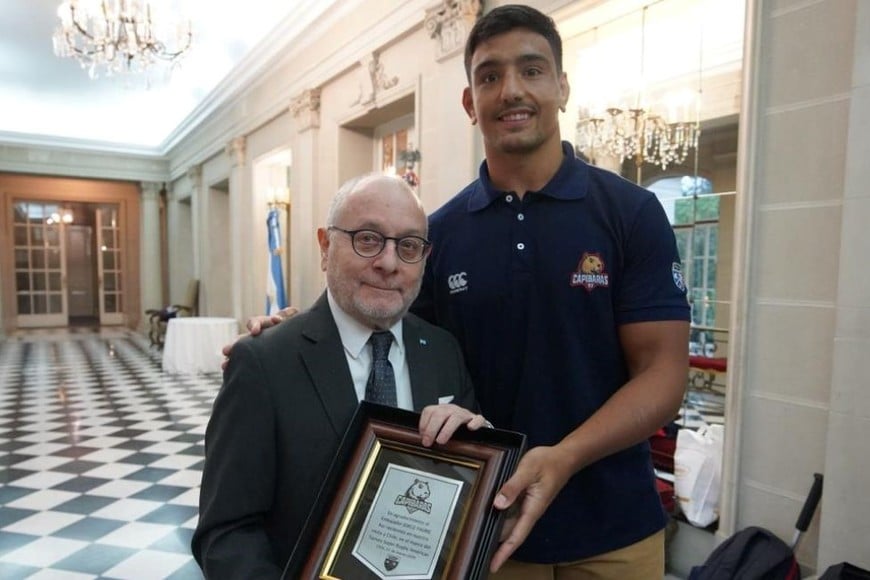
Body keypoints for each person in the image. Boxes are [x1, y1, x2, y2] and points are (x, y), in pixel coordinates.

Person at [235, 5, 690, 578]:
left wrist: (563, 457)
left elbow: (664, 375)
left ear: (563, 87)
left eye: (532, 69)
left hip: (614, 530)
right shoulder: (439, 233)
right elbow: (387, 329)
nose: (511, 90)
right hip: (481, 529)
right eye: (490, 75)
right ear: (470, 102)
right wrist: (300, 334)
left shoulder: (630, 213)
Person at [192, 174, 489, 579]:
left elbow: (464, 499)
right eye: (368, 238)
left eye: (408, 246)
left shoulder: (442, 351)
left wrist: (478, 442)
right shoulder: (264, 362)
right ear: (325, 246)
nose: (388, 263)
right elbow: (226, 533)